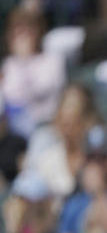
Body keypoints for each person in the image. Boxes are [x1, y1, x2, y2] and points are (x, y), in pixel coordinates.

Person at [1, 8, 66, 139]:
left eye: (25, 30)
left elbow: (40, 92)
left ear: (37, 32)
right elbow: (6, 98)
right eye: (15, 30)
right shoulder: (8, 65)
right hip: (11, 130)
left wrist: (24, 62)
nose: (20, 36)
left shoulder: (51, 60)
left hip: (44, 126)